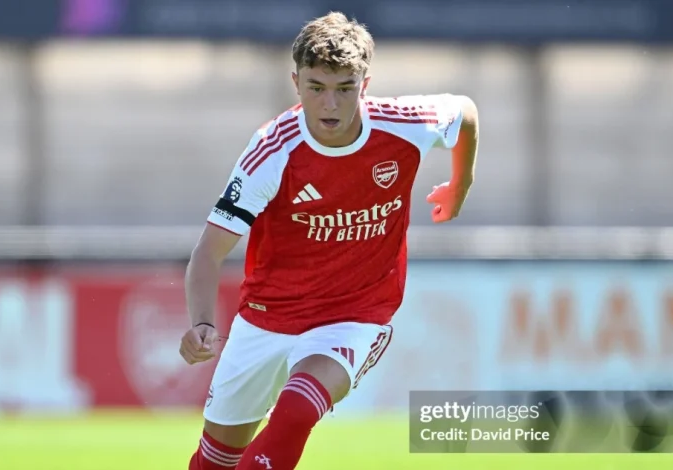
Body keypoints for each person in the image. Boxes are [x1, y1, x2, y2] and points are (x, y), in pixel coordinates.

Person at [179, 11, 479, 470]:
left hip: (355, 315)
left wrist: (460, 186)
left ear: (365, 83)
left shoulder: (403, 124)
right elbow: (209, 251)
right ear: (296, 82)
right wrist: (201, 322)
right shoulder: (272, 151)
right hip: (267, 318)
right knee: (214, 461)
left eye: (344, 88)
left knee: (298, 410)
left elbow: (466, 113)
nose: (330, 105)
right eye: (316, 88)